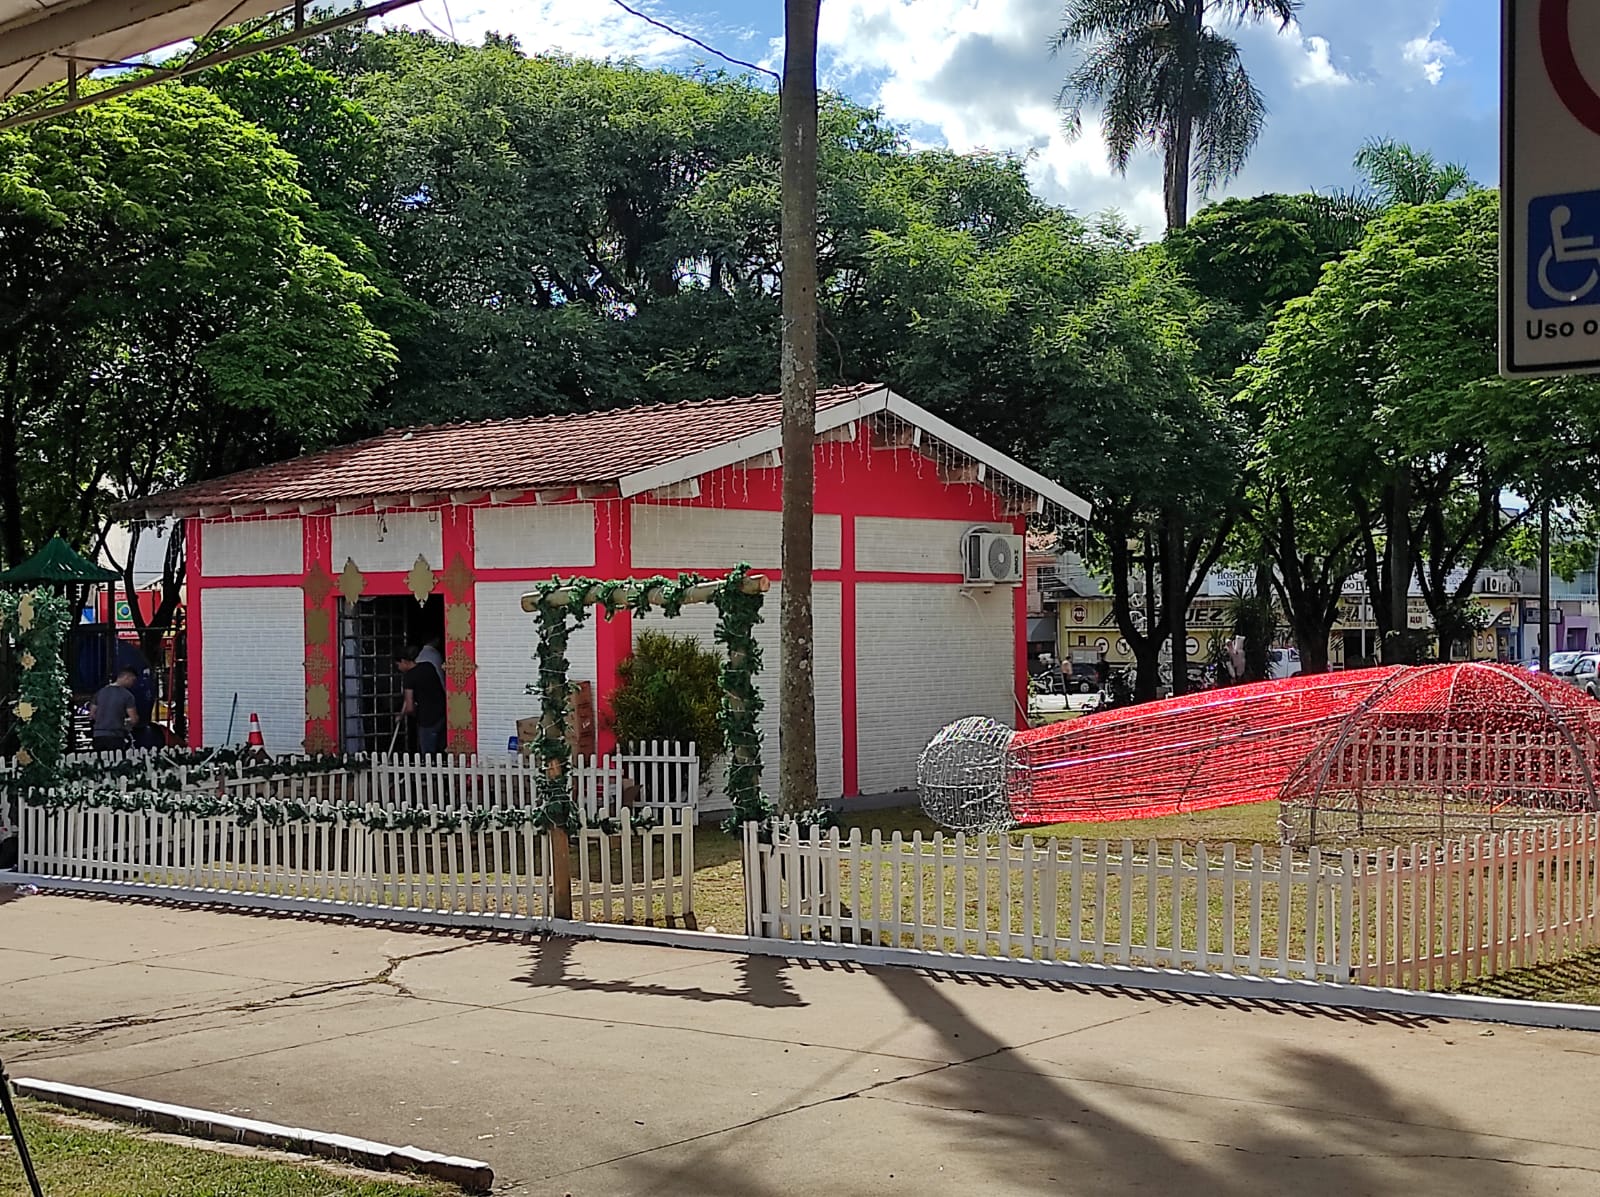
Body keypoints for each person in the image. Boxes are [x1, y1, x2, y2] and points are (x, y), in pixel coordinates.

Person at [397, 645, 447, 755]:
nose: (398, 668)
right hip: (443, 714)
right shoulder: (428, 666)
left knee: (428, 754)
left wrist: (407, 714)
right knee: (443, 751)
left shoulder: (409, 677)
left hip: (427, 719)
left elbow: (409, 706)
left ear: (404, 661)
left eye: (398, 665)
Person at [89, 668, 140, 753]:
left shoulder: (100, 692)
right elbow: (133, 719)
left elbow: (92, 714)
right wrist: (126, 723)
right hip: (116, 736)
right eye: (132, 680)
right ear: (126, 677)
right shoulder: (127, 695)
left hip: (98, 736)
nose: (132, 683)